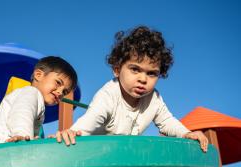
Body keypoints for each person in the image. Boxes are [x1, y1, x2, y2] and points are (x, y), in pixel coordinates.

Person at [55, 26, 208, 152]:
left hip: (122, 153)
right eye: (135, 69)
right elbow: (92, 117)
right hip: (94, 153)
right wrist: (74, 132)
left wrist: (186, 133)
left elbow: (167, 121)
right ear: (116, 69)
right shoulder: (109, 95)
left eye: (151, 73)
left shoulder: (154, 99)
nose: (143, 79)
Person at [0, 56, 77, 147]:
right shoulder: (31, 92)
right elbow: (22, 112)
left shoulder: (36, 102)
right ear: (38, 75)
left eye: (64, 91)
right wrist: (23, 135)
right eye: (58, 83)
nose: (60, 92)